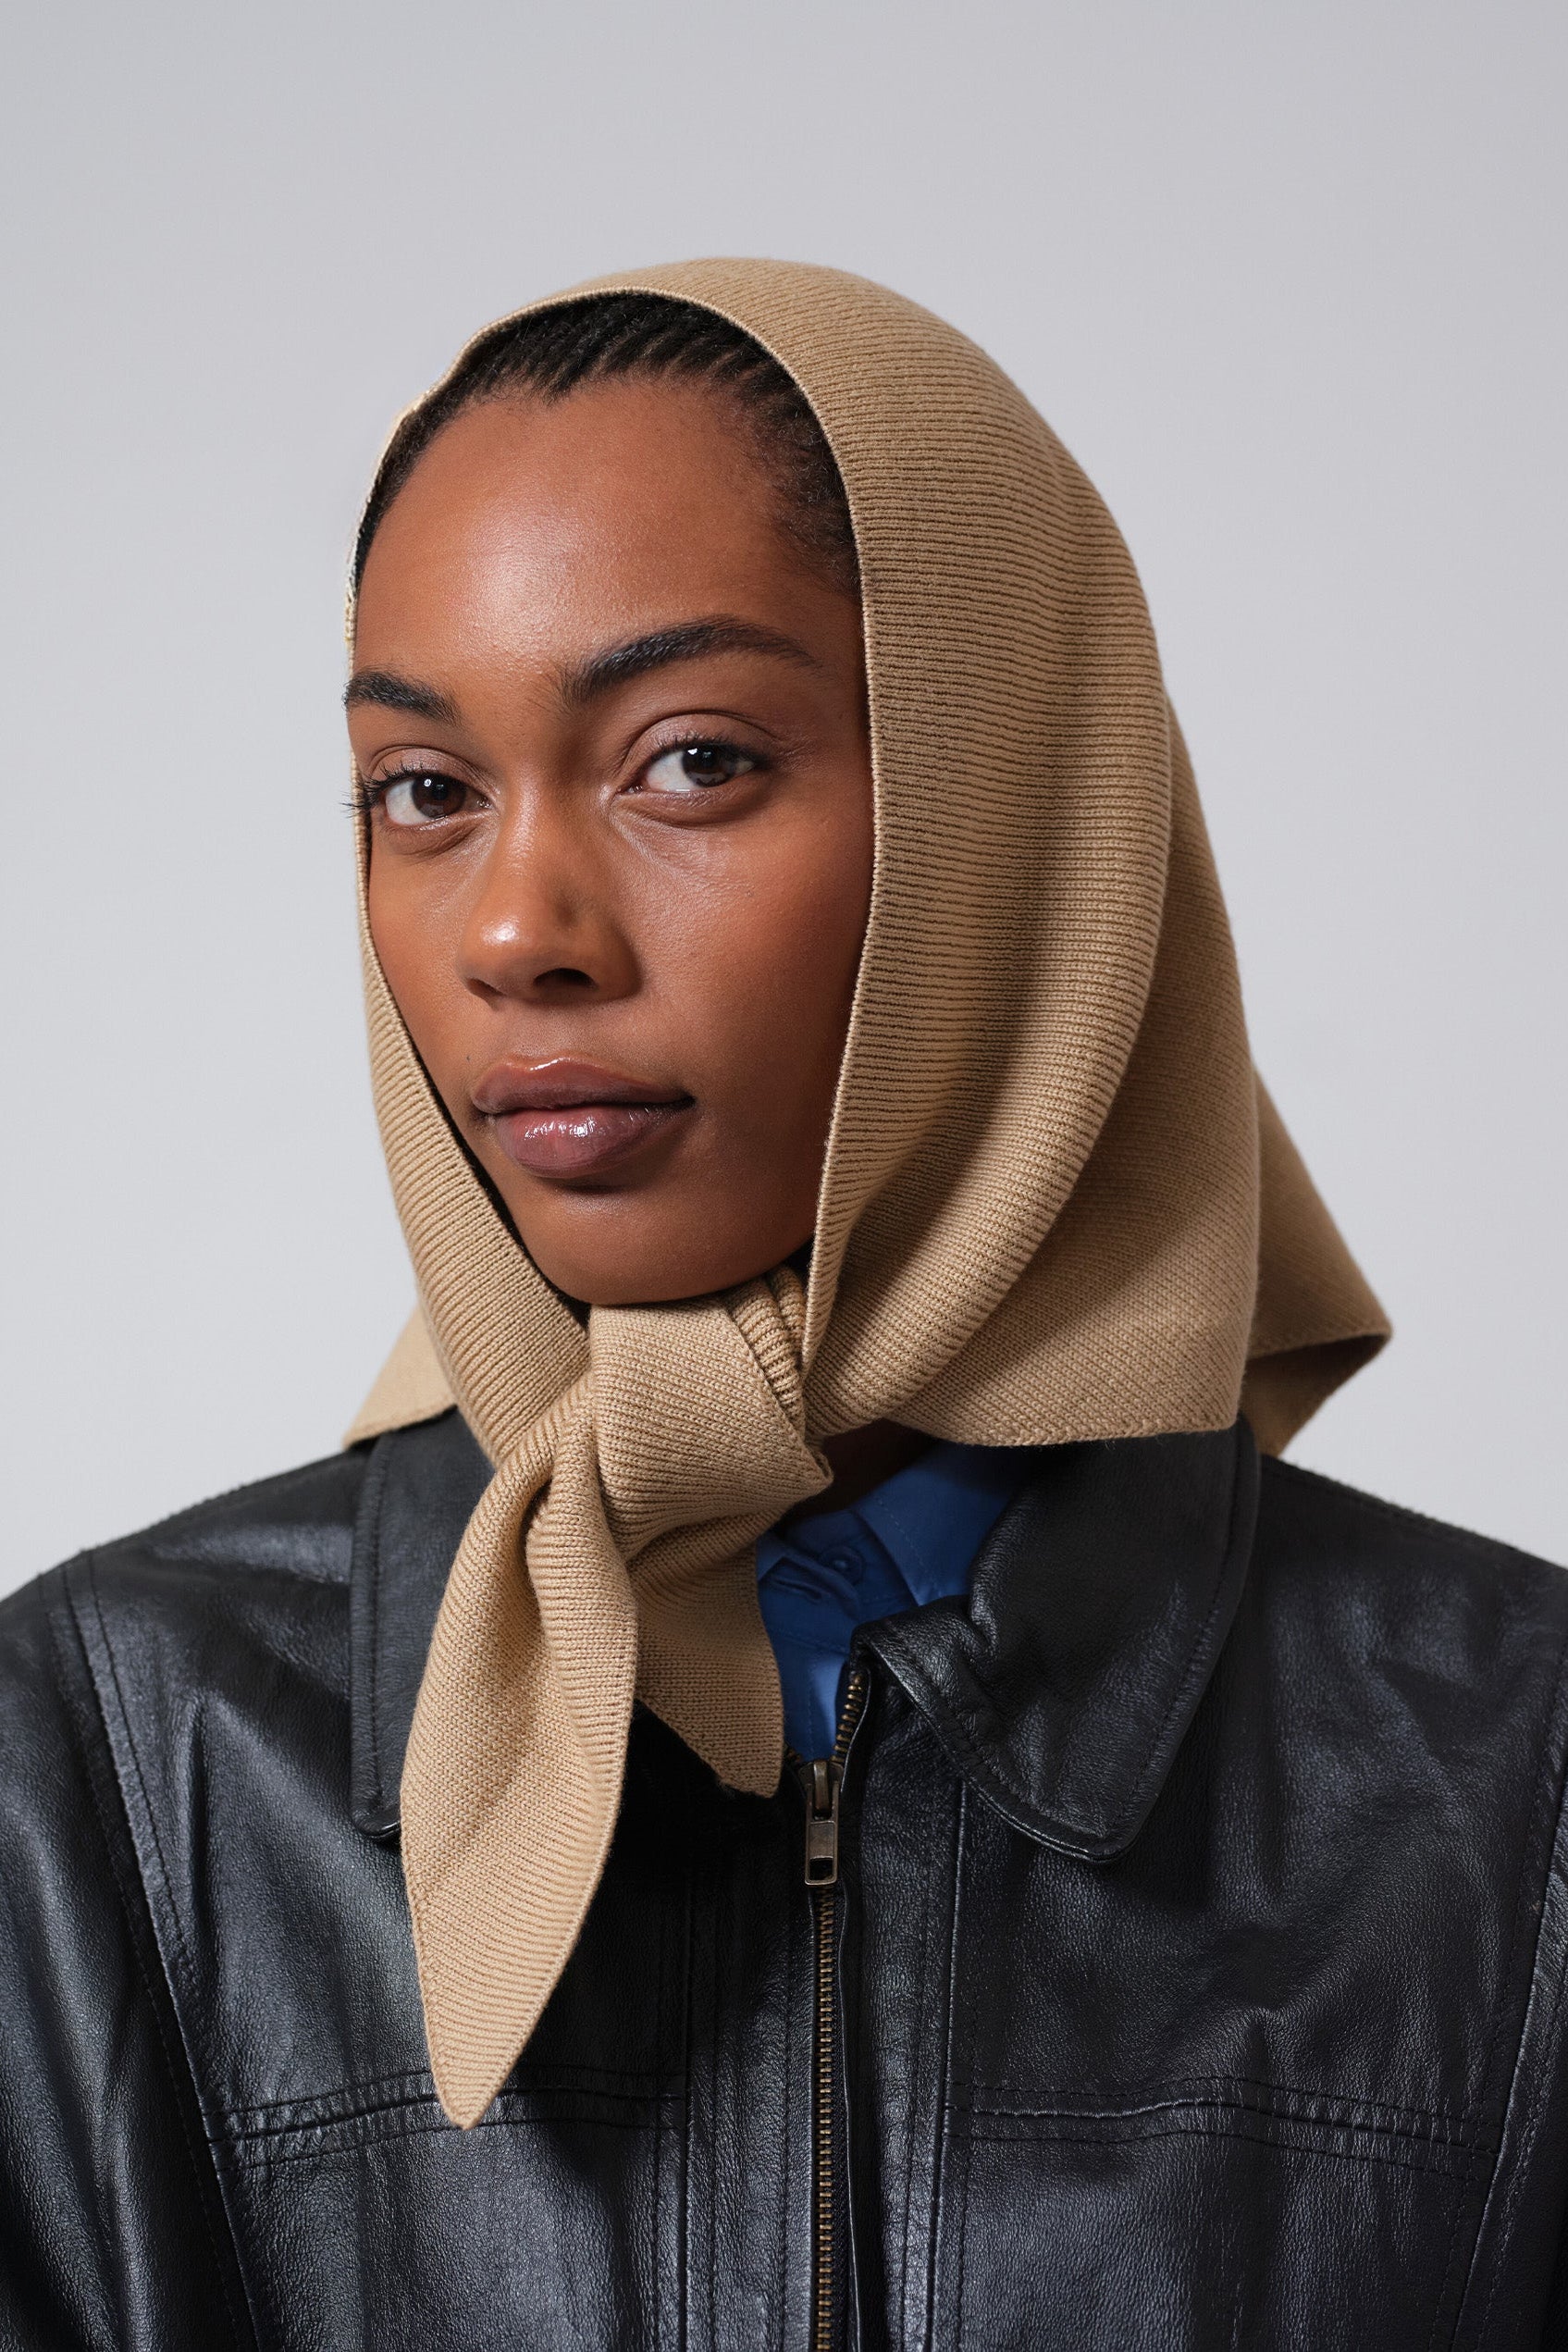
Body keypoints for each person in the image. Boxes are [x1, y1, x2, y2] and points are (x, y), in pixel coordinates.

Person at [1, 260, 1563, 2351]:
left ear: (1009, 830)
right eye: (422, 788)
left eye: (689, 759)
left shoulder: (1519, 1776)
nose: (511, 926)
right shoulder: (98, 1761)